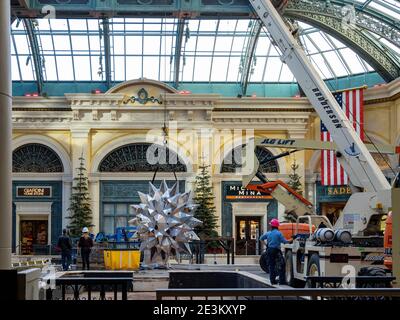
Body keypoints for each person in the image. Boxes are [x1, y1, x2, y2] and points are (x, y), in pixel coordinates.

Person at [260, 219, 290, 285]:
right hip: (276, 251)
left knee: (271, 266)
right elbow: (284, 241)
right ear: (277, 226)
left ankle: (272, 281)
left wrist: (266, 245)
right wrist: (291, 240)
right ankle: (282, 281)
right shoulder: (279, 233)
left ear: (271, 226)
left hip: (269, 250)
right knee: (282, 265)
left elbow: (261, 238)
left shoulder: (268, 233)